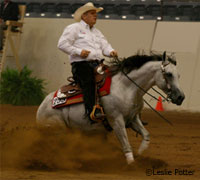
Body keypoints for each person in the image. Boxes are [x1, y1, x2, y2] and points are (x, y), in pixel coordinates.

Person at [58, 2, 118, 121]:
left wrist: (111, 51)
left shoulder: (97, 32)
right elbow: (62, 44)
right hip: (81, 65)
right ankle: (91, 112)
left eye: (96, 14)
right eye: (92, 14)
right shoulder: (74, 28)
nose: (95, 16)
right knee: (89, 83)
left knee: (114, 79)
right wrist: (79, 52)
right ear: (84, 16)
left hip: (98, 64)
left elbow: (105, 46)